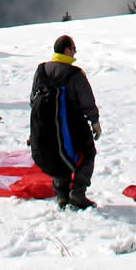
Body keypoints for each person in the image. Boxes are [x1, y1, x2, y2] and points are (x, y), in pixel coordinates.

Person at [29, 34, 101, 209]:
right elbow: (86, 101)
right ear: (67, 50)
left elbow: (33, 99)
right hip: (72, 125)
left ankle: (61, 195)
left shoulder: (41, 70)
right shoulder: (75, 74)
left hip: (45, 126)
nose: (75, 52)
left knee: (56, 156)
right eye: (74, 48)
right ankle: (77, 193)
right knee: (87, 154)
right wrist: (95, 121)